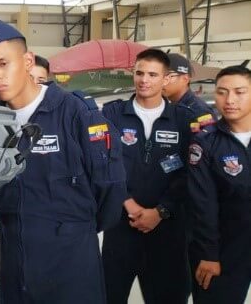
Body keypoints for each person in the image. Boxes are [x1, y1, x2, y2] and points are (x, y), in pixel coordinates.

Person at [0, 17, 127, 304]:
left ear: (28, 61)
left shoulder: (76, 114)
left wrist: (72, 232)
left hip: (70, 266)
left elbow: (110, 187)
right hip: (13, 262)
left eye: (3, 63)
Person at [100, 49, 212, 304]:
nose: (144, 80)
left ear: (166, 79)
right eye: (139, 73)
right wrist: (127, 203)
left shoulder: (186, 119)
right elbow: (104, 166)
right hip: (120, 226)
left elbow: (192, 173)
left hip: (168, 230)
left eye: (153, 74)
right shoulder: (112, 115)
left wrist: (161, 211)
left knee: (168, 297)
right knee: (109, 295)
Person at [188, 65, 251, 303]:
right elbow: (203, 204)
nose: (230, 100)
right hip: (225, 248)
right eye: (222, 92)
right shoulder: (205, 142)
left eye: (239, 92)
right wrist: (208, 254)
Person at [164, 52, 217, 121]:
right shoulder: (168, 106)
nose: (162, 81)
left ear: (185, 79)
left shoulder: (199, 112)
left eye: (168, 76)